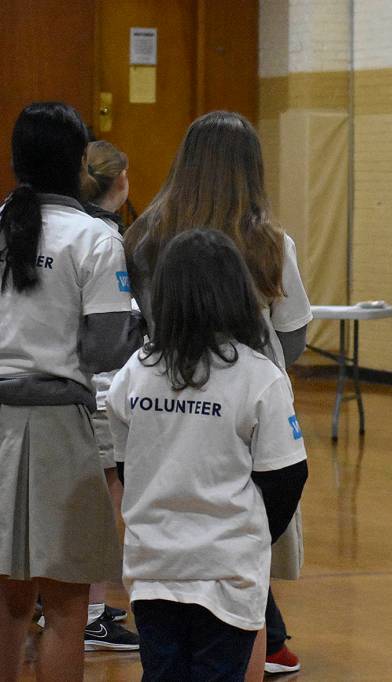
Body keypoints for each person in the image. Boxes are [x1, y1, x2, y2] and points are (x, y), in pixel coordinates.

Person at [124, 110, 312, 676]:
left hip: (163, 404)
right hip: (247, 413)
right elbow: (294, 336)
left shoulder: (142, 236)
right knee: (241, 558)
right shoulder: (270, 241)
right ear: (251, 170)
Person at [0, 102, 143, 681]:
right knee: (65, 599)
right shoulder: (95, 237)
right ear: (80, 161)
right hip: (59, 426)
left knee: (7, 597)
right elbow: (109, 349)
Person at [78, 138, 141, 652]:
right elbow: (114, 330)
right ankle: (92, 612)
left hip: (68, 386)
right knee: (103, 504)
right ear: (119, 181)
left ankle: (59, 600)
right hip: (98, 389)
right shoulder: (101, 237)